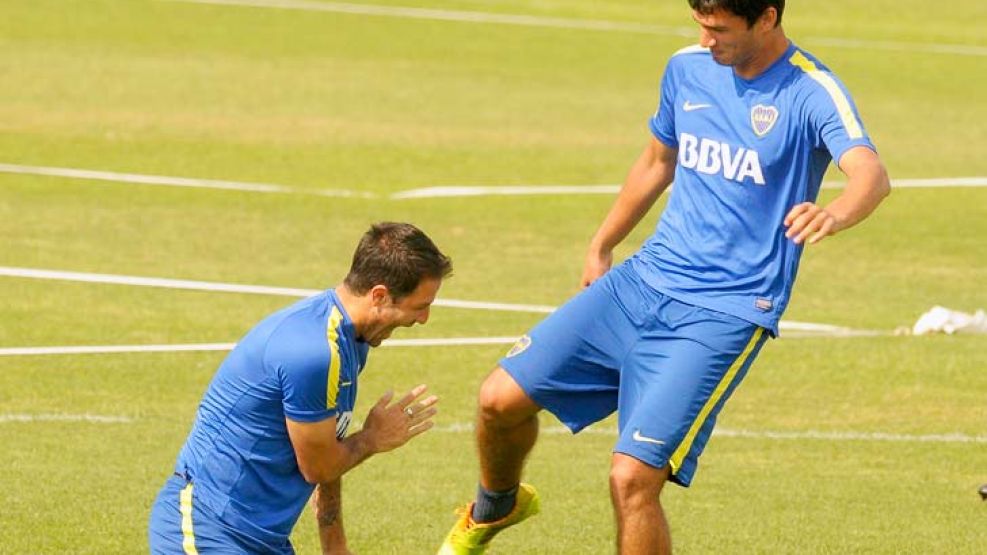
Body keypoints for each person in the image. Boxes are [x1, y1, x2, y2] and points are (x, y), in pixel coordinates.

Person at [438, 0, 890, 553]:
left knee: (633, 479)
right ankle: (497, 505)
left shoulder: (811, 90)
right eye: (700, 24)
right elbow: (658, 160)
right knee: (497, 399)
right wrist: (602, 243)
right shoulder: (686, 67)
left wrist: (835, 213)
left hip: (725, 310)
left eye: (719, 28)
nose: (706, 39)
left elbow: (870, 172)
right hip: (644, 280)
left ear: (767, 18)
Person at [149, 222, 452, 554]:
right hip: (208, 529)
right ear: (379, 295)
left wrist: (334, 545)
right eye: (420, 305)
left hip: (263, 540)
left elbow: (328, 443)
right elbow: (318, 466)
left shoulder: (351, 341)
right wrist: (372, 438)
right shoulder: (314, 353)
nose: (423, 319)